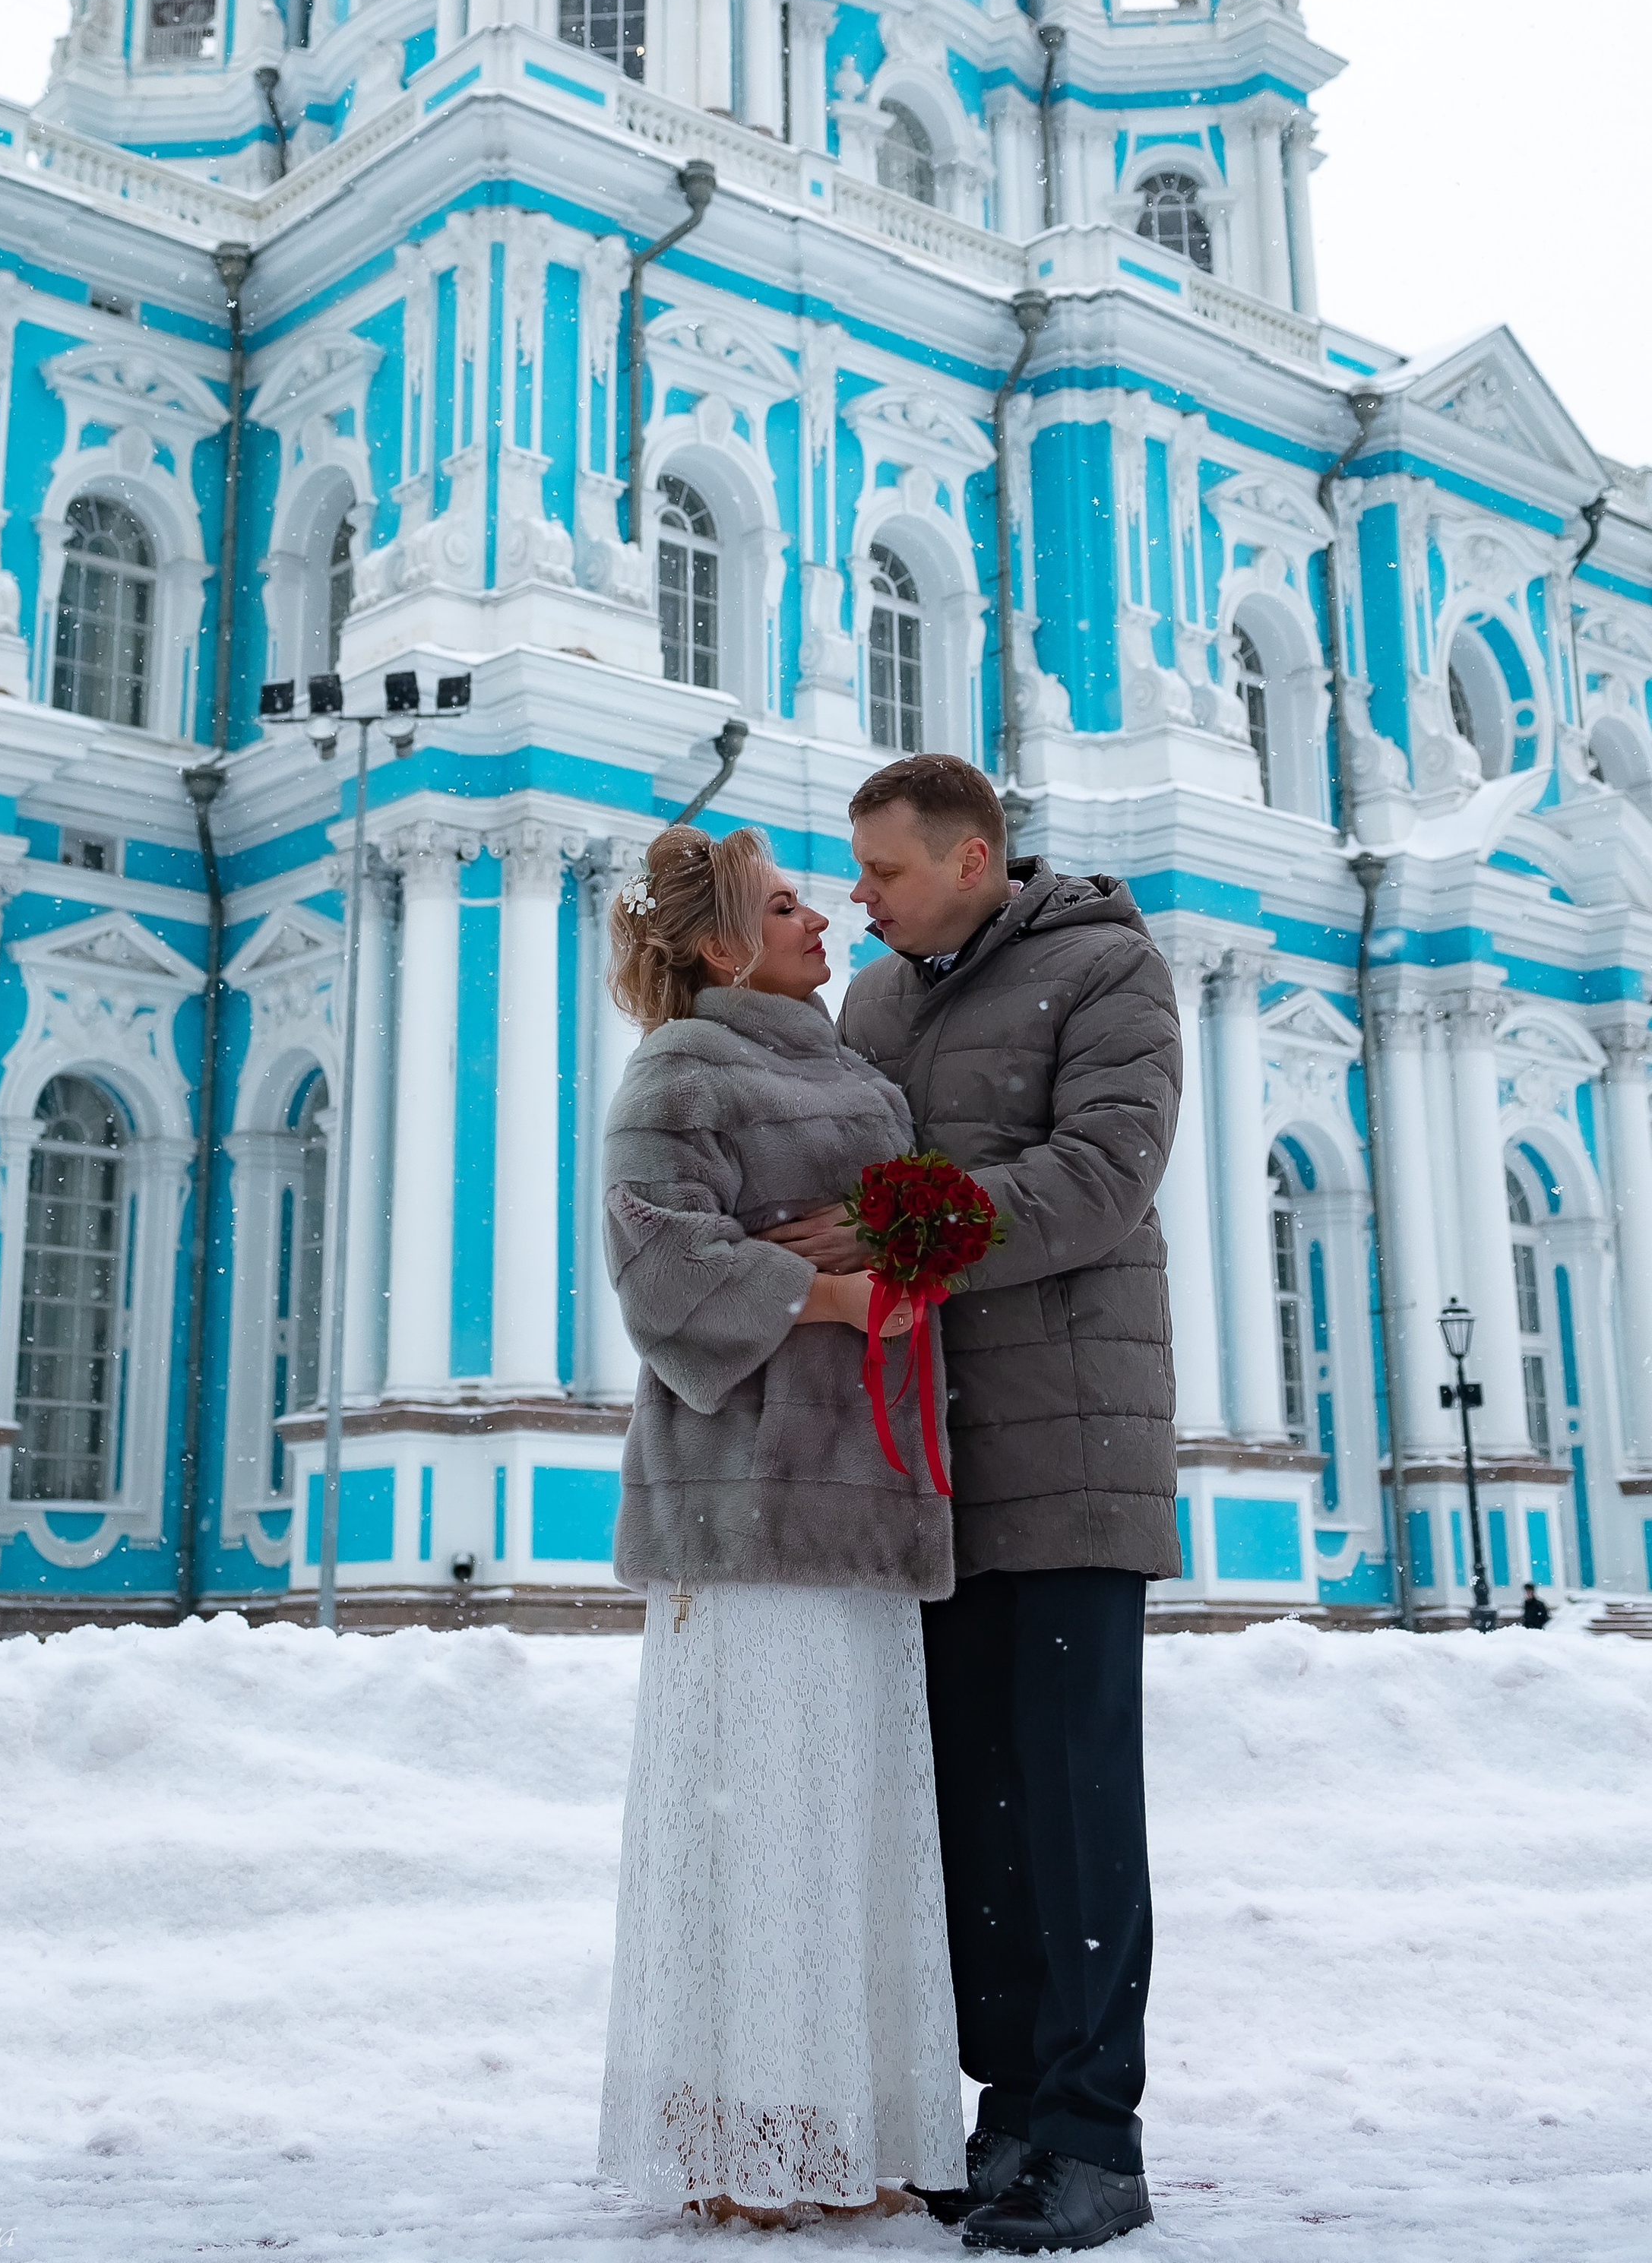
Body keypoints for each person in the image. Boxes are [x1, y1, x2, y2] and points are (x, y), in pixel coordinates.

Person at [770, 754, 1182, 2255]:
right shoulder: (876, 1003)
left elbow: (1097, 1181)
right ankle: (1006, 2108)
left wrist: (885, 1220)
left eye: (877, 873)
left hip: (1072, 1451)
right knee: (973, 1813)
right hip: (928, 1461)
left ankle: (1093, 2139)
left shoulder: (1107, 969)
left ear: (965, 860)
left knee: (1074, 1814)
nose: (854, 899)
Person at [595, 822, 965, 2224]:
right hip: (749, 1498)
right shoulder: (686, 1063)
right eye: (788, 904)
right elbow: (655, 1259)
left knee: (849, 1821)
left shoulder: (851, 1066)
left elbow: (897, 1231)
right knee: (759, 1824)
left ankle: (840, 2125)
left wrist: (896, 1243)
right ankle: (734, 2144)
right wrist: (824, 1287)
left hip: (870, 1484)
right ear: (715, 944)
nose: (825, 919)